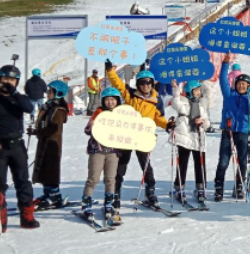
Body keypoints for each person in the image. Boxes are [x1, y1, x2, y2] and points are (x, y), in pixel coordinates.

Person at [106, 59, 175, 208]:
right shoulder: (131, 95)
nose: (146, 86)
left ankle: (150, 191)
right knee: (121, 165)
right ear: (138, 84)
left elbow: (158, 117)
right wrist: (110, 71)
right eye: (143, 83)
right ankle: (115, 194)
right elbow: (117, 84)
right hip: (127, 136)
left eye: (148, 83)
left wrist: (167, 125)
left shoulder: (156, 100)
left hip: (143, 137)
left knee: (146, 165)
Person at [0, 65, 38, 229]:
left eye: (12, 80)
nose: (8, 82)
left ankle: (27, 216)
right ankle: (0, 218)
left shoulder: (19, 99)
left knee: (23, 181)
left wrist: (14, 93)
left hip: (17, 145)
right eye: (5, 79)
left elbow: (29, 108)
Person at [214, 56, 250, 201]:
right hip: (228, 132)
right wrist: (225, 63)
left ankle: (239, 186)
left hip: (243, 132)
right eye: (239, 83)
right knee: (223, 161)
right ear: (235, 84)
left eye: (244, 84)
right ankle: (219, 188)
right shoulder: (229, 95)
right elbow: (223, 80)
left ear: (248, 86)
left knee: (242, 161)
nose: (241, 86)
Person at [81, 87, 124, 224]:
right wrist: (94, 126)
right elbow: (88, 129)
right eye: (107, 100)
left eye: (113, 99)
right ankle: (86, 204)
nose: (110, 102)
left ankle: (109, 204)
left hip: (113, 152)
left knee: (110, 179)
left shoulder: (121, 114)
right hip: (97, 151)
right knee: (93, 178)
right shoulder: (98, 113)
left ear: (117, 101)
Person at [169, 79, 211, 206]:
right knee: (182, 164)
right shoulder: (183, 103)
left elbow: (207, 122)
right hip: (185, 137)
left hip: (198, 138)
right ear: (190, 92)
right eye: (196, 90)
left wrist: (202, 122)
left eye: (199, 90)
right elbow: (175, 102)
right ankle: (179, 188)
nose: (198, 92)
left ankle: (200, 188)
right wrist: (176, 90)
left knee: (200, 164)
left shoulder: (202, 106)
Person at [29, 80, 70, 209]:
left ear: (58, 93)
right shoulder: (49, 107)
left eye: (50, 91)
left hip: (52, 144)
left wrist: (38, 132)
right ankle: (48, 193)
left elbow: (53, 128)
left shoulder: (58, 110)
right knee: (44, 169)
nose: (47, 93)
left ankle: (54, 195)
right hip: (45, 142)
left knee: (51, 170)